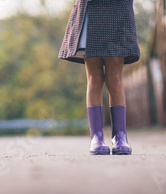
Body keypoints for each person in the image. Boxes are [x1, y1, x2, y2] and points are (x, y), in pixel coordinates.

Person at [59, 0, 140, 155]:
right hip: (92, 9)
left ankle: (120, 136)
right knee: (95, 79)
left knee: (114, 79)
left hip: (118, 10)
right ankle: (96, 137)